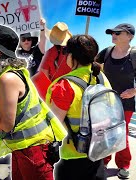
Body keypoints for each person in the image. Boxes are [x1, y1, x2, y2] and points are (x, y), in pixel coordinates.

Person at [0, 24, 66, 180]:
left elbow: (6, 125)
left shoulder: (7, 79)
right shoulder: (8, 75)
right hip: (26, 149)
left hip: (33, 152)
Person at [45, 35, 109, 180]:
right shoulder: (102, 78)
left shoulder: (64, 85)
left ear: (71, 56)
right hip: (97, 151)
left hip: (71, 157)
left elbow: (53, 127)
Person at [95, 23, 135, 179]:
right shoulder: (106, 53)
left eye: (118, 33)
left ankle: (124, 165)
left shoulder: (134, 55)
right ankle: (104, 161)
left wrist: (134, 91)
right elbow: (91, 66)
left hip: (125, 103)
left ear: (130, 36)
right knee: (104, 133)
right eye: (112, 32)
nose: (114, 35)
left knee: (121, 134)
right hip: (105, 102)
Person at [32, 22, 72, 100]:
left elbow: (44, 74)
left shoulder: (49, 53)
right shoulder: (72, 53)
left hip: (55, 92)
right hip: (71, 90)